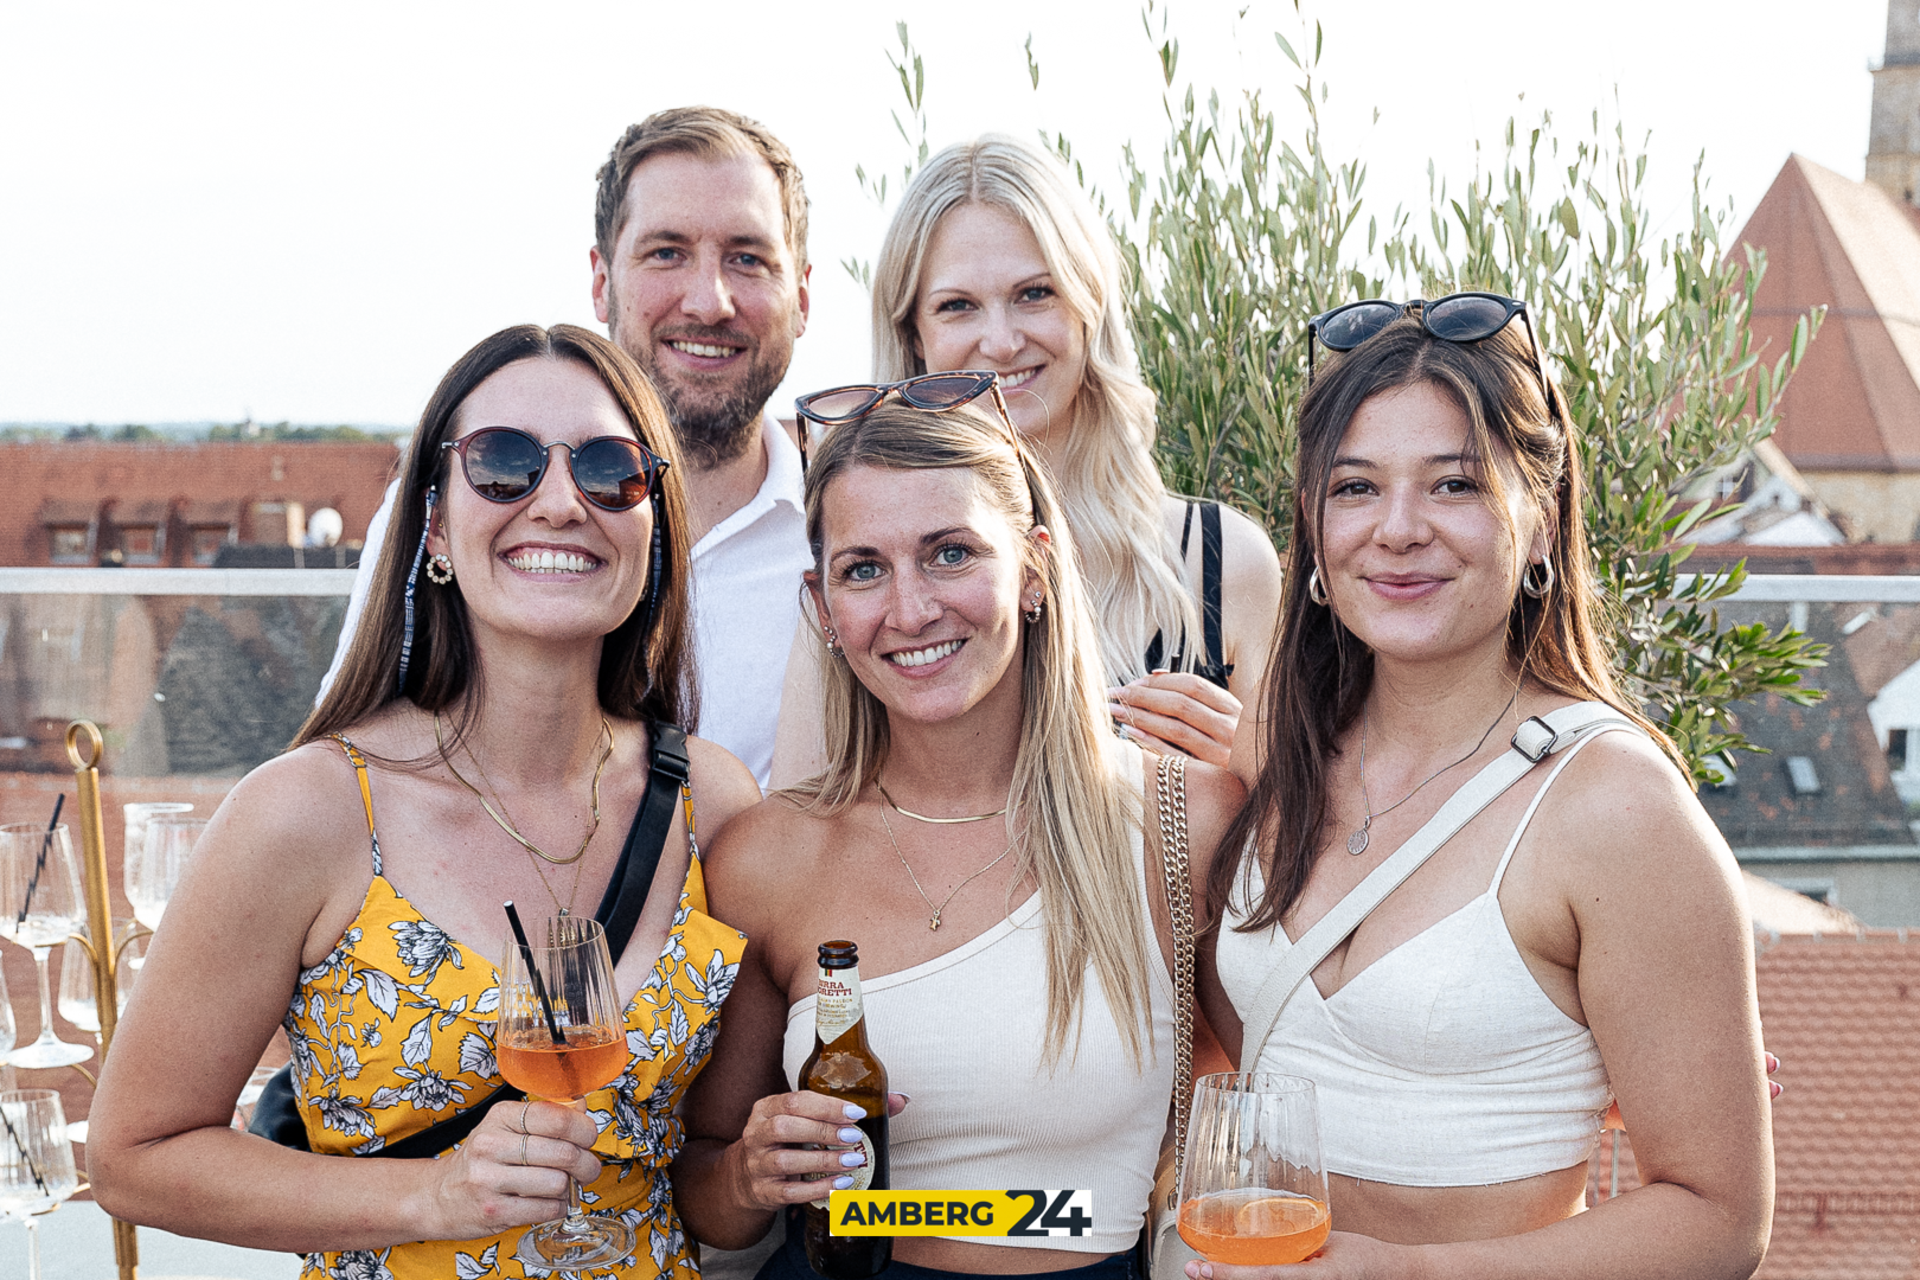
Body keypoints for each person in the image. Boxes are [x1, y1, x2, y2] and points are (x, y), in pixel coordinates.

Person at [89, 324, 762, 1280]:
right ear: (435, 525)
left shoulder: (711, 803)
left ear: (654, 525)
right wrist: (429, 1195)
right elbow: (132, 1158)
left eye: (613, 470)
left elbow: (710, 1180)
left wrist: (763, 1168)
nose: (563, 502)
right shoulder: (312, 813)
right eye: (503, 464)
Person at [1197, 300, 1772, 1278]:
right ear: (1314, 531)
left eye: (1454, 483)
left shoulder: (1614, 809)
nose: (1398, 528)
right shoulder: (1277, 762)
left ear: (1539, 522)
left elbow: (1720, 1222)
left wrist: (1402, 1271)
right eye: (1355, 487)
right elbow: (1233, 1059)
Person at [675, 388, 1245, 1278]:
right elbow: (706, 1192)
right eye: (863, 569)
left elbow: (1269, 1114)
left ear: (1035, 572)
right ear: (822, 609)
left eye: (950, 554)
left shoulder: (1182, 823)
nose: (910, 610)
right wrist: (749, 1174)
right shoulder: (765, 856)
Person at [323, 106, 813, 788]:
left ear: (804, 297)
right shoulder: (468, 508)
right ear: (601, 280)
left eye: (748, 258)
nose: (709, 301)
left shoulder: (855, 549)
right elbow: (345, 774)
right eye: (666, 252)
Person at [862, 134, 1285, 770]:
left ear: (1089, 308)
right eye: (958, 307)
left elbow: (1303, 852)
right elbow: (812, 836)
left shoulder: (1227, 564)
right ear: (913, 337)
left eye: (1036, 293)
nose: (1002, 343)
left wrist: (1255, 772)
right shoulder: (859, 581)